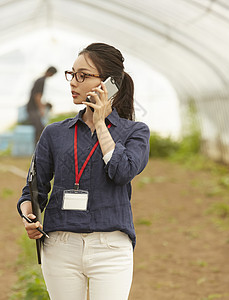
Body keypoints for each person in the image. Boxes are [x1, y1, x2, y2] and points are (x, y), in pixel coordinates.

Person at [17, 43, 150, 300]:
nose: (73, 83)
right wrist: (28, 214)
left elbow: (122, 172)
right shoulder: (55, 133)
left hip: (110, 247)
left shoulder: (135, 132)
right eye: (72, 74)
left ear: (109, 84)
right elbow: (33, 190)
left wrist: (100, 123)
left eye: (83, 75)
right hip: (60, 246)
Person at [27, 66, 57, 143]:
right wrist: (41, 109)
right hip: (32, 108)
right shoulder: (41, 81)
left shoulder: (40, 79)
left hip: (32, 107)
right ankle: (38, 147)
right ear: (51, 73)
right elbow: (37, 96)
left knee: (40, 127)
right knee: (40, 128)